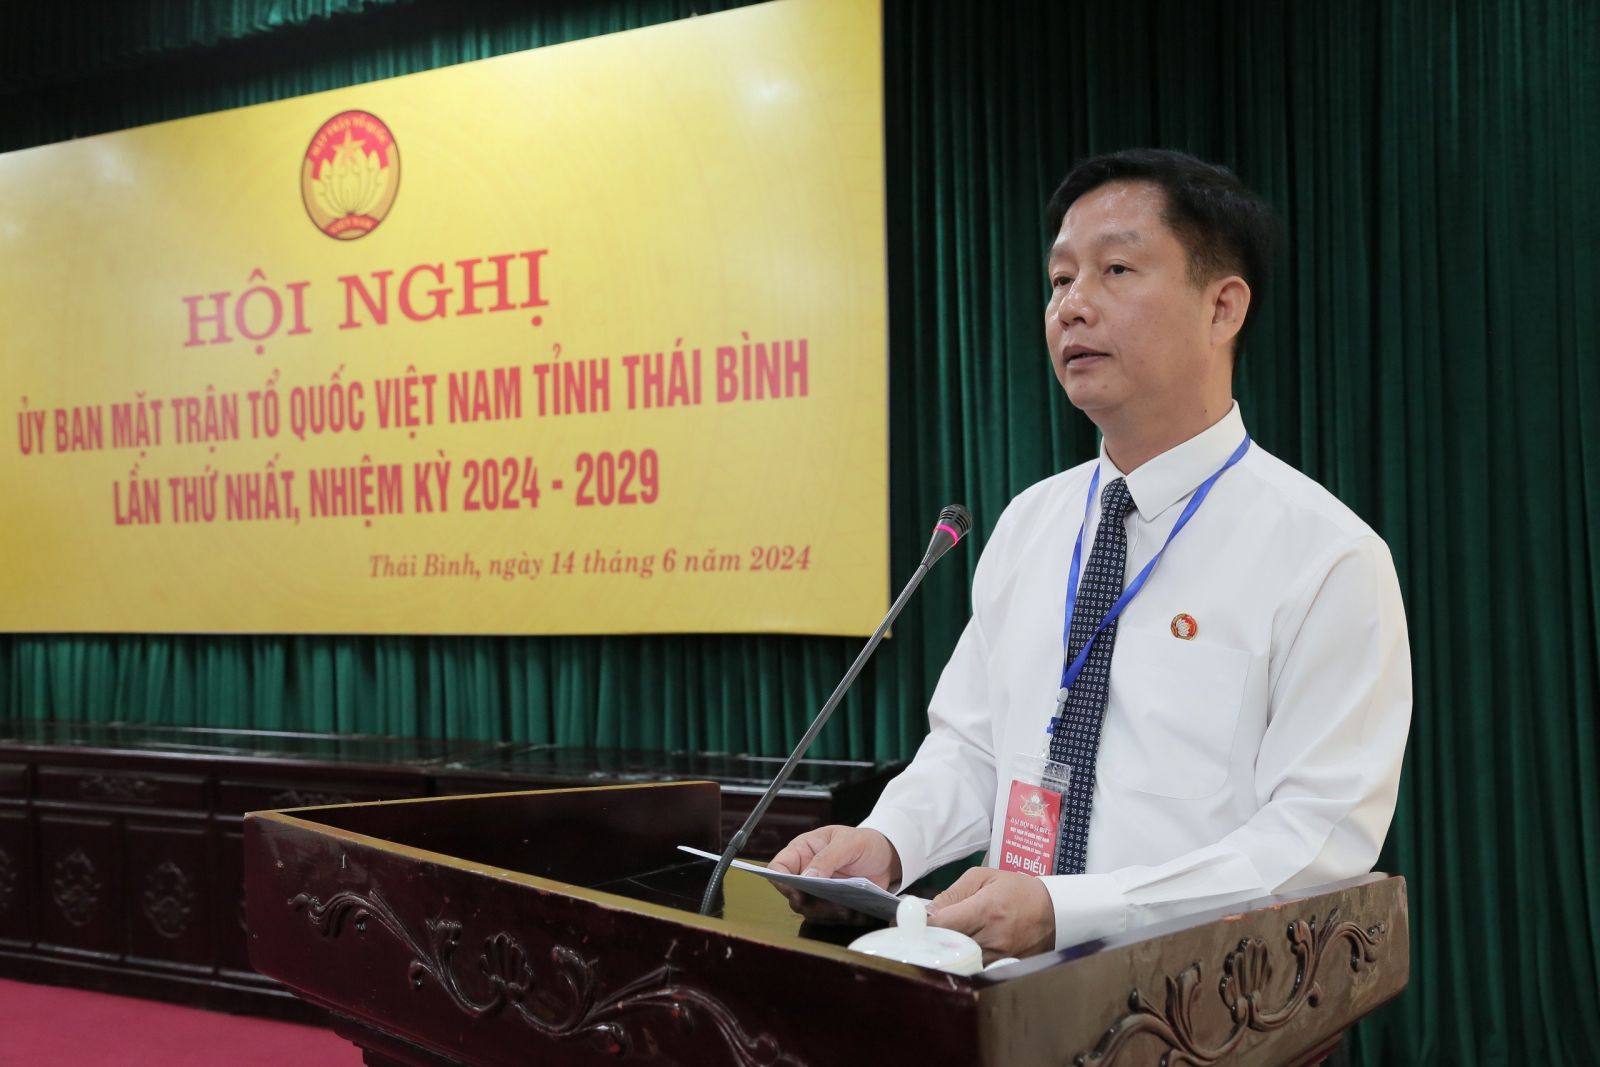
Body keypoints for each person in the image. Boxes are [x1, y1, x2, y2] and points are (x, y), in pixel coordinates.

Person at [769, 148, 1412, 961]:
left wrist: (1074, 909)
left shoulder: (1326, 557)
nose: (1072, 306)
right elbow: (973, 749)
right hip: (1007, 988)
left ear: (1222, 307)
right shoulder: (1030, 523)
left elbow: (1314, 839)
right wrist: (887, 842)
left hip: (1197, 1000)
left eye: (1115, 270)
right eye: (1060, 279)